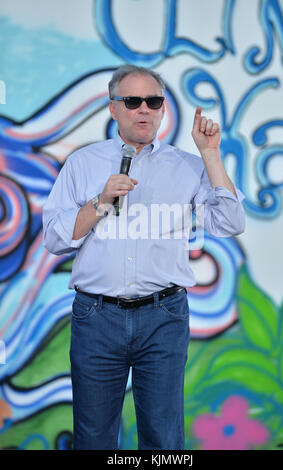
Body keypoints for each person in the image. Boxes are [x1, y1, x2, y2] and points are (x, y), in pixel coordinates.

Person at [42, 64, 245, 450]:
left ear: (163, 108)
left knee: (163, 438)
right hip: (96, 317)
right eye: (132, 101)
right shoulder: (82, 164)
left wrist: (211, 155)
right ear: (113, 107)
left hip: (163, 317)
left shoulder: (186, 166)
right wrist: (99, 202)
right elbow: (54, 238)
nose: (143, 110)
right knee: (94, 437)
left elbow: (231, 222)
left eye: (153, 101)